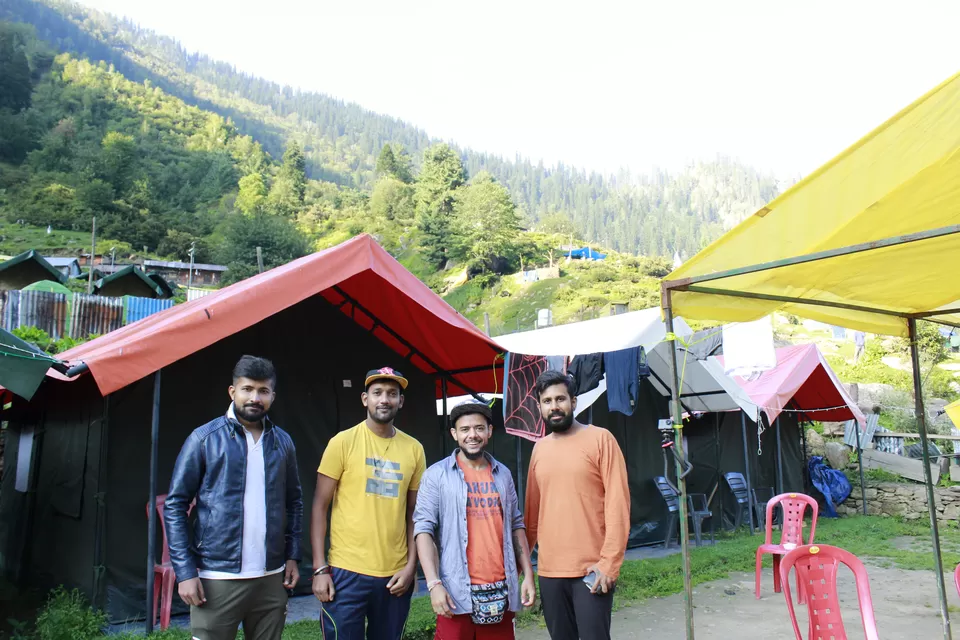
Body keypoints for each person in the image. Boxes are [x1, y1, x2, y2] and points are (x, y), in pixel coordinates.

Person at [165, 355, 303, 640]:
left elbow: (295, 502)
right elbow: (175, 505)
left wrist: (292, 555)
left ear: (272, 396)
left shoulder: (283, 442)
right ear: (233, 392)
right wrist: (185, 572)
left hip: (270, 575)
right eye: (247, 389)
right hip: (216, 577)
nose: (255, 397)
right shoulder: (204, 439)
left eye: (263, 391)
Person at [311, 367, 426, 640]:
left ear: (401, 401)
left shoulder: (414, 449)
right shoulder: (343, 442)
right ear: (365, 399)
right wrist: (319, 569)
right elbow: (319, 506)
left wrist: (411, 567)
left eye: (392, 394)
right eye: (377, 393)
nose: (384, 399)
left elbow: (416, 514)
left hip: (394, 576)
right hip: (345, 572)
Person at [414, 401, 537, 639]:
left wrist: (529, 576)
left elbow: (516, 525)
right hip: (455, 592)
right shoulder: (436, 476)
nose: (473, 435)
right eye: (465, 429)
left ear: (489, 432)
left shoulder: (503, 474)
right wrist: (433, 584)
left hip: (500, 590)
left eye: (479, 428)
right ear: (454, 434)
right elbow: (423, 530)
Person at [525, 370, 629, 640]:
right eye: (547, 401)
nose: (554, 406)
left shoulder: (600, 439)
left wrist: (609, 564)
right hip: (549, 571)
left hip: (592, 570)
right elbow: (532, 514)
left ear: (574, 402)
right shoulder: (539, 448)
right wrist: (523, 567)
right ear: (539, 407)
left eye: (560, 399)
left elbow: (618, 504)